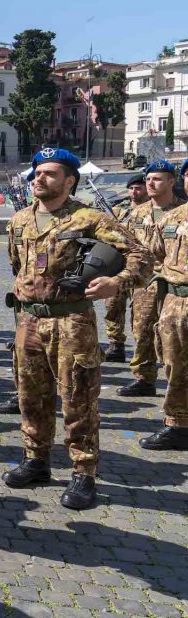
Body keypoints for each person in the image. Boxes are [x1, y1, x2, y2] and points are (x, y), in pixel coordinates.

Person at [1, 148, 148, 510]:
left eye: (50, 173)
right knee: (30, 395)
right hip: (28, 320)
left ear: (69, 181)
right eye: (37, 172)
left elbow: (141, 256)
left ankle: (83, 472)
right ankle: (36, 460)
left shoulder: (88, 218)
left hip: (71, 320)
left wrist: (118, 282)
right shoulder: (19, 220)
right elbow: (18, 264)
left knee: (78, 398)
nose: (40, 178)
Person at [117, 161, 183, 398]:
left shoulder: (182, 211)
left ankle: (175, 382)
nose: (150, 183)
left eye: (157, 179)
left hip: (172, 284)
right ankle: (144, 378)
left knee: (172, 335)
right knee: (142, 328)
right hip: (144, 283)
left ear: (172, 182)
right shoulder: (137, 213)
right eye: (148, 179)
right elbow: (123, 246)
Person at [139, 158, 188, 450]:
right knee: (174, 363)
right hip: (175, 301)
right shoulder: (173, 218)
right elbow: (152, 254)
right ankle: (178, 424)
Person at [103, 173, 148, 361]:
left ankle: (145, 351)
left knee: (142, 312)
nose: (134, 191)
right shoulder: (120, 211)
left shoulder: (152, 211)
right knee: (112, 306)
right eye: (131, 188)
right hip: (119, 266)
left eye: (138, 187)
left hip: (143, 268)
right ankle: (116, 344)